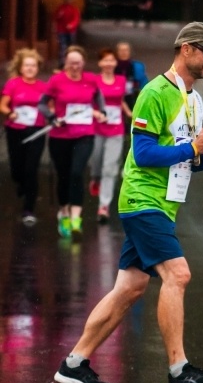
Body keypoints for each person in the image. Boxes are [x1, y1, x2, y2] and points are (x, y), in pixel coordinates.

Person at [53, 22, 203, 383]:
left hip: (164, 204)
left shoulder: (195, 100)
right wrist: (193, 148)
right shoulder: (154, 92)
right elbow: (145, 153)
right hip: (142, 200)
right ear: (186, 49)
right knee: (178, 275)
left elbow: (188, 161)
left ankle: (74, 363)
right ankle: (178, 370)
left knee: (130, 288)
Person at [38, 45, 106, 240]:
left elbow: (99, 97)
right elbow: (42, 104)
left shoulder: (91, 80)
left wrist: (102, 112)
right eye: (71, 63)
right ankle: (64, 212)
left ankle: (76, 218)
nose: (75, 67)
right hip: (60, 136)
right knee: (64, 176)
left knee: (77, 173)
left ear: (83, 63)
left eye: (78, 63)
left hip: (84, 135)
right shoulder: (56, 80)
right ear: (65, 63)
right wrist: (52, 118)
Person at [0, 49, 49, 226]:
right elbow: (3, 105)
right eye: (27, 65)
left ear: (37, 68)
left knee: (31, 169)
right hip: (15, 130)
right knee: (17, 170)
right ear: (21, 68)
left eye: (33, 66)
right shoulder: (13, 84)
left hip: (36, 131)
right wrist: (10, 113)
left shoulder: (43, 87)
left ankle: (29, 209)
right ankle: (21, 184)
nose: (30, 68)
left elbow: (50, 106)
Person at [89, 48, 131, 224]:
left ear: (115, 63)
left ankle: (104, 206)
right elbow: (87, 101)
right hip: (96, 127)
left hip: (116, 128)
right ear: (99, 63)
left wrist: (129, 113)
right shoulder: (94, 81)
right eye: (105, 60)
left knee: (110, 167)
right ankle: (95, 178)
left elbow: (119, 100)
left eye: (111, 60)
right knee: (97, 162)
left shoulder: (121, 80)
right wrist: (96, 113)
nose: (108, 63)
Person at [114, 41, 149, 113]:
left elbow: (144, 84)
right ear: (117, 52)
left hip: (133, 97)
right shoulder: (112, 66)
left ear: (130, 52)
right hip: (116, 97)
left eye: (126, 50)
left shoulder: (138, 66)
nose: (123, 52)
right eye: (121, 50)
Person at [54, 0, 81, 68]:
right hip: (61, 30)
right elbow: (55, 18)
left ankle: (71, 61)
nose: (67, 0)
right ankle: (62, 62)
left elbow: (76, 19)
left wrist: (72, 25)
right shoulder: (60, 8)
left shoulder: (74, 8)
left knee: (71, 47)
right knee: (63, 46)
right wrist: (59, 15)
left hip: (71, 31)